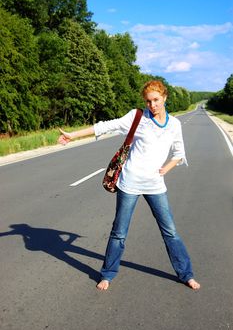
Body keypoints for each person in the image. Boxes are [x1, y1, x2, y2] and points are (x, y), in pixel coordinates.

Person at [58, 80, 201, 291]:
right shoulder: (137, 117)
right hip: (130, 183)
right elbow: (107, 126)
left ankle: (186, 274)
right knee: (119, 232)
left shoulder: (174, 125)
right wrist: (73, 135)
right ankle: (107, 274)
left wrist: (165, 169)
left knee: (170, 231)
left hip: (155, 185)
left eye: (156, 100)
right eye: (148, 101)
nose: (152, 105)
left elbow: (179, 153)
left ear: (164, 98)